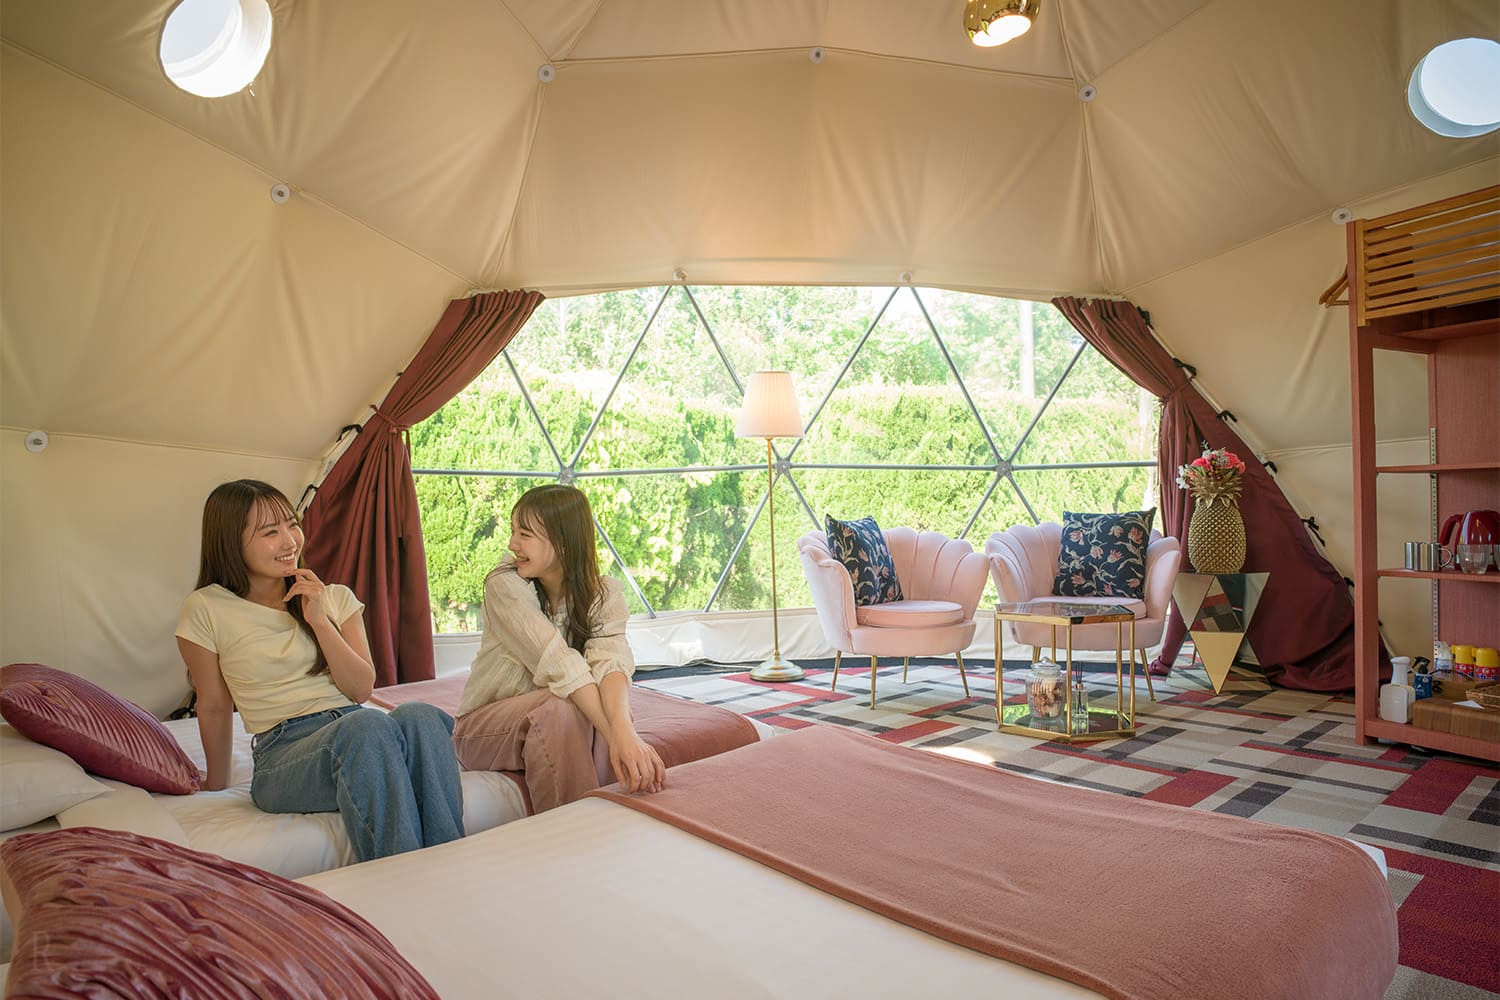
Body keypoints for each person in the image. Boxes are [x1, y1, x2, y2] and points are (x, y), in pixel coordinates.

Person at [175, 479, 464, 862]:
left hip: (359, 730)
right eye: (270, 532)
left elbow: (360, 690)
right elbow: (213, 704)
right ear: (231, 542)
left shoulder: (335, 598)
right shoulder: (207, 607)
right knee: (368, 727)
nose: (289, 541)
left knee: (421, 716)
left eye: (292, 525)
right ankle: (402, 875)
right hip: (285, 754)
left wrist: (319, 620)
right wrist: (217, 782)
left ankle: (449, 865)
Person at [453, 484, 665, 812]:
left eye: (525, 534)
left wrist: (624, 730)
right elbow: (560, 663)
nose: (512, 543)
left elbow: (611, 663)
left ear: (563, 541)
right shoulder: (505, 585)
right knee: (562, 707)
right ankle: (577, 828)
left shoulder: (603, 593)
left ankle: (619, 818)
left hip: (546, 720)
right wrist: (619, 738)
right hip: (481, 731)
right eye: (513, 531)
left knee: (608, 707)